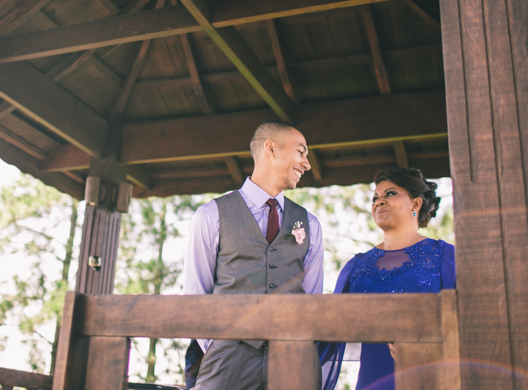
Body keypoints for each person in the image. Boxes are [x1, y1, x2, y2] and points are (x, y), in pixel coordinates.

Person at [183, 121, 324, 390]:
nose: (307, 164)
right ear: (270, 149)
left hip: (293, 361)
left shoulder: (311, 224)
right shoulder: (210, 215)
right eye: (301, 152)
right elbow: (195, 295)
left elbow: (312, 299)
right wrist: (220, 347)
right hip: (227, 361)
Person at [319, 167, 456, 390]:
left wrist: (425, 351)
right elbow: (331, 332)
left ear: (416, 203)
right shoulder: (356, 267)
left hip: (429, 380)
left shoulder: (446, 258)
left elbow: (470, 327)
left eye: (390, 194)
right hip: (372, 381)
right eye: (375, 197)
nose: (379, 202)